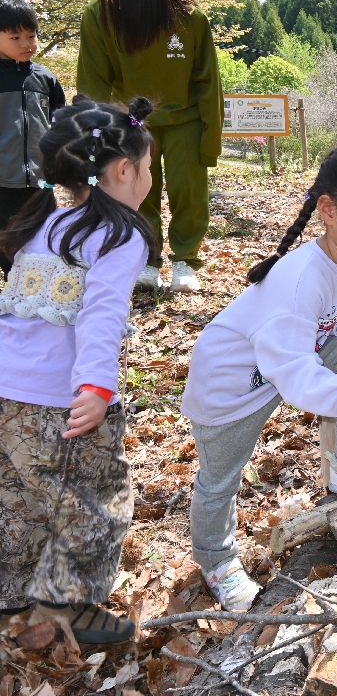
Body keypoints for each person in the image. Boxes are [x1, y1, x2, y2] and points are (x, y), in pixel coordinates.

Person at [181, 145, 337, 611]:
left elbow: (336, 319)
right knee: (219, 481)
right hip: (231, 385)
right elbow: (291, 370)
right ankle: (216, 560)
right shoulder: (301, 278)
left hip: (287, 364)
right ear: (328, 210)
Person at [0, 96, 156, 643]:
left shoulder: (48, 221)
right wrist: (94, 384)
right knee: (98, 498)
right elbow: (102, 313)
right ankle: (70, 606)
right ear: (121, 170)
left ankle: (10, 593)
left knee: (17, 498)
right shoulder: (121, 235)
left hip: (5, 389)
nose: (150, 180)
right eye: (148, 168)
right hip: (58, 402)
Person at [77, 0, 223, 293]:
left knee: (189, 189)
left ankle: (186, 259)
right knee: (137, 190)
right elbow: (93, 82)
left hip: (184, 120)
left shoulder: (190, 20)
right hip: (132, 121)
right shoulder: (98, 17)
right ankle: (147, 258)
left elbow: (208, 84)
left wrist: (211, 140)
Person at [0, 0, 66, 275]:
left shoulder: (45, 78)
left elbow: (59, 122)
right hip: (3, 178)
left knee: (38, 238)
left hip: (40, 179)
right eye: (15, 37)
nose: (27, 44)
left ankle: (29, 292)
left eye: (31, 35)